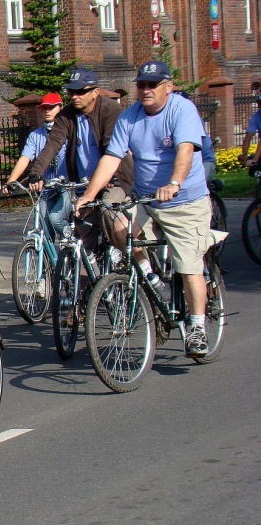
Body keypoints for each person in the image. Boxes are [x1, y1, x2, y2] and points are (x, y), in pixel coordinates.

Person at [75, 61, 213, 358]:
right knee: (119, 228)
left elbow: (186, 151)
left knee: (188, 265)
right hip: (146, 199)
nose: (146, 90)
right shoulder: (130, 117)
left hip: (184, 201)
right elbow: (112, 156)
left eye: (153, 85)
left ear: (168, 86)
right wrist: (89, 194)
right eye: (142, 85)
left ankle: (198, 328)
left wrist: (174, 182)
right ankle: (152, 280)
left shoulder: (181, 110)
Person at [28, 68, 134, 252]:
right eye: (71, 92)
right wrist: (36, 173)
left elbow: (112, 149)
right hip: (83, 184)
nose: (75, 96)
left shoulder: (110, 110)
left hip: (113, 181)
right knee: (83, 243)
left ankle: (131, 266)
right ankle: (87, 279)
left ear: (95, 92)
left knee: (110, 214)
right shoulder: (66, 116)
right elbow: (52, 144)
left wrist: (110, 177)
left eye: (80, 91)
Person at [2, 92, 71, 240]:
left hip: (67, 186)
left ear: (60, 107)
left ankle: (75, 242)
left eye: (52, 107)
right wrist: (11, 181)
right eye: (44, 108)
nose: (48, 111)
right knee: (45, 229)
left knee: (56, 219)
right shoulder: (36, 135)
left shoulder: (67, 132)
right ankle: (49, 262)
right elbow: (24, 158)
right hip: (46, 187)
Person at [238, 94, 261, 167]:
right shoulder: (256, 117)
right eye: (259, 103)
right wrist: (244, 154)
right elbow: (248, 137)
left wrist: (255, 160)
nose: (259, 106)